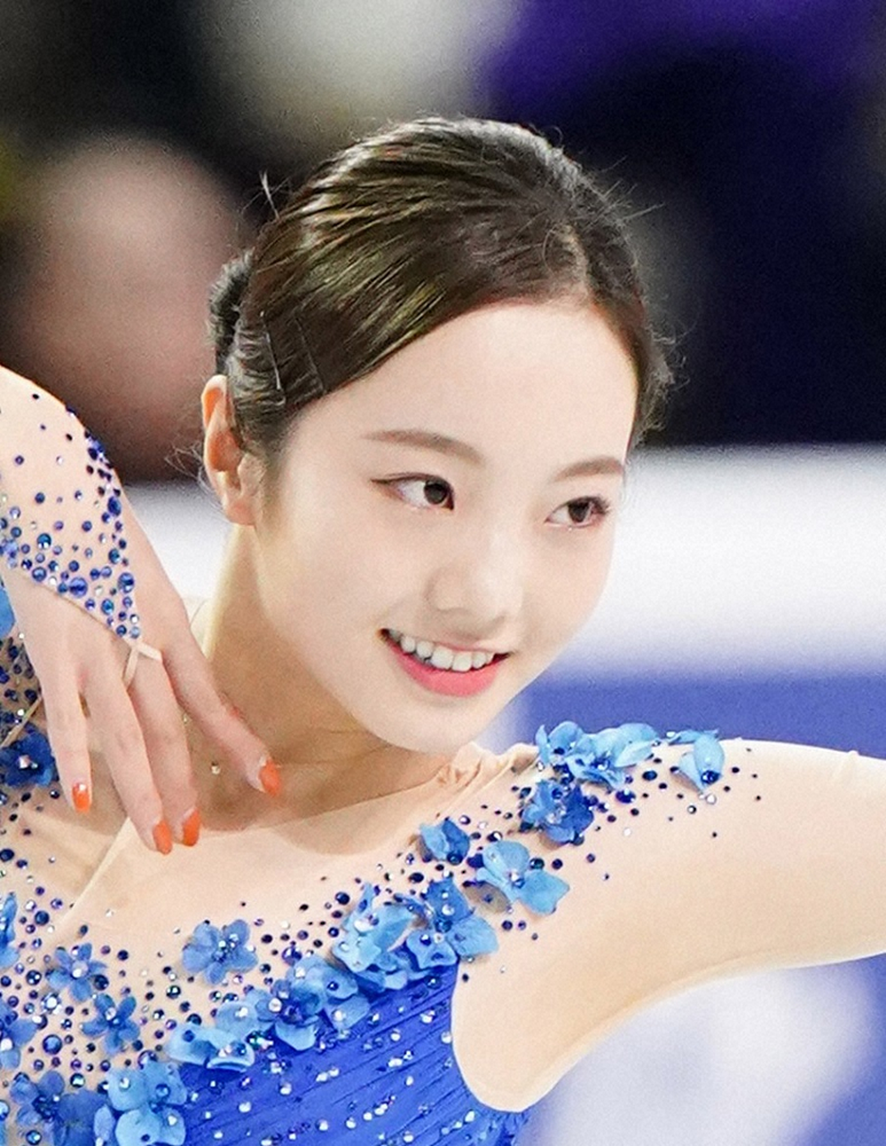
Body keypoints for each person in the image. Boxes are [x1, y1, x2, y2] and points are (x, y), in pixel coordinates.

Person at [0, 116, 884, 1146]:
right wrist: (37, 451)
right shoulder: (25, 690)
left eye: (576, 508)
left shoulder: (574, 855)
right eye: (427, 488)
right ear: (234, 448)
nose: (488, 594)